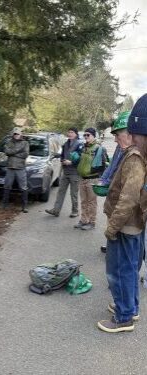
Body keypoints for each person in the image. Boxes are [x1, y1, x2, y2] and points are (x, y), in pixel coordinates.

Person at [97, 96, 147, 333]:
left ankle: (124, 316)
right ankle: (130, 308)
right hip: (131, 224)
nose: (116, 137)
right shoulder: (131, 154)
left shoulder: (135, 158)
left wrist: (111, 227)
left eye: (120, 133)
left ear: (133, 133)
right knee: (128, 268)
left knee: (120, 270)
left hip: (126, 226)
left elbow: (128, 199)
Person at [98, 112, 131, 253]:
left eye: (117, 135)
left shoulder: (134, 154)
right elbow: (112, 166)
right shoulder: (119, 148)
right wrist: (103, 179)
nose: (115, 140)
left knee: (121, 222)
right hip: (113, 189)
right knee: (111, 216)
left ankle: (116, 244)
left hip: (123, 196)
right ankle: (111, 243)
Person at [74, 127, 108, 230]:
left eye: (88, 135)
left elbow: (105, 164)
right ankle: (83, 220)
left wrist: (101, 179)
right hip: (82, 178)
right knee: (84, 201)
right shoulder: (84, 147)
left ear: (94, 135)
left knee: (91, 202)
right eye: (84, 135)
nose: (86, 137)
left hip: (93, 179)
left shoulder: (99, 148)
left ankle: (92, 222)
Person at [45, 127, 83, 218]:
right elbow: (62, 155)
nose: (70, 134)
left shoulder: (79, 144)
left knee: (73, 193)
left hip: (75, 173)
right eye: (69, 132)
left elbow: (82, 158)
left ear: (76, 134)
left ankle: (75, 211)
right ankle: (56, 210)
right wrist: (62, 160)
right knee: (60, 192)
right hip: (65, 172)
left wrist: (71, 162)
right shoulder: (65, 144)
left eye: (72, 132)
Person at [2, 127, 29, 213]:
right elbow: (7, 152)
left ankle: (24, 206)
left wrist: (13, 153)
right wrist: (18, 151)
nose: (16, 135)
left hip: (20, 168)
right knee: (7, 186)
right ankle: (4, 204)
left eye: (18, 133)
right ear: (13, 134)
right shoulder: (9, 142)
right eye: (15, 134)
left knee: (23, 187)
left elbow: (25, 154)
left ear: (21, 134)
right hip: (10, 167)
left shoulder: (25, 143)